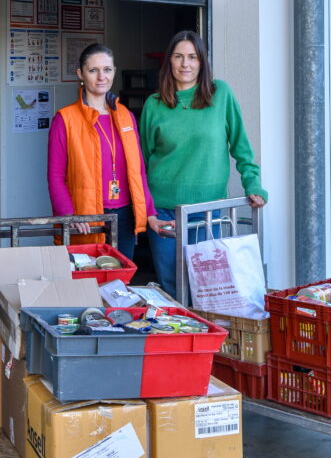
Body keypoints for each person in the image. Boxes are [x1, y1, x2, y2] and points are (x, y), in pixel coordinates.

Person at [140, 30, 268, 298]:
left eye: (192, 57)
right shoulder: (154, 104)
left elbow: (241, 146)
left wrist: (252, 183)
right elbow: (142, 160)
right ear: (169, 61)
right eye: (178, 56)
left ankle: (209, 341)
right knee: (172, 287)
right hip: (165, 211)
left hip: (209, 210)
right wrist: (145, 207)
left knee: (209, 287)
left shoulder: (220, 93)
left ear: (202, 62)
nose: (185, 64)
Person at [47, 43, 156, 259]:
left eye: (107, 70)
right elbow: (55, 176)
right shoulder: (65, 119)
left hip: (126, 215)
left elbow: (139, 171)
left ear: (114, 71)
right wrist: (70, 216)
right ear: (81, 74)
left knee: (119, 283)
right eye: (93, 70)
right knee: (88, 284)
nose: (101, 77)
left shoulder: (125, 115)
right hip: (86, 218)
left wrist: (149, 212)